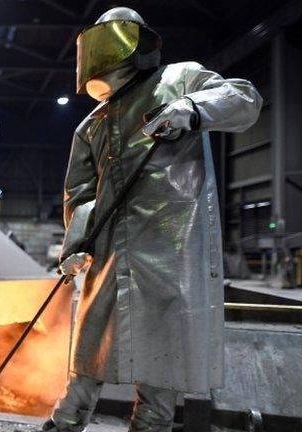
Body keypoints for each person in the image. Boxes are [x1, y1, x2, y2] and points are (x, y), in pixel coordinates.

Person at [44, 7, 262, 432]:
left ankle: (150, 427)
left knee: (165, 360)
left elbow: (244, 98)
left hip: (172, 248)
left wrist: (194, 107)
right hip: (111, 253)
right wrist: (76, 246)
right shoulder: (92, 124)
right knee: (91, 348)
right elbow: (81, 194)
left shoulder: (179, 79)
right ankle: (65, 422)